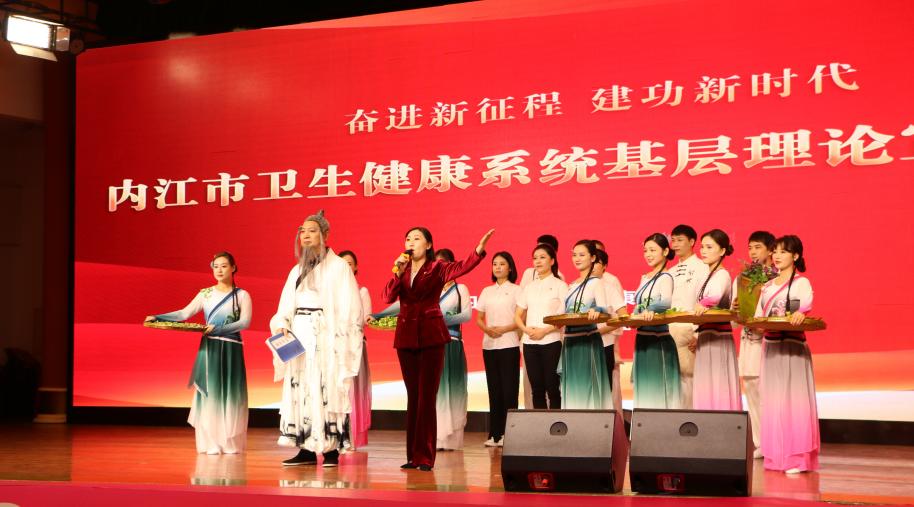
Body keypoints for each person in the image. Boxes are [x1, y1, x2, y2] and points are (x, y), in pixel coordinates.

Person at [382, 227, 494, 471]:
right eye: (408, 238)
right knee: (413, 397)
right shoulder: (402, 270)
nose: (411, 242)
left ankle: (425, 456)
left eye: (417, 238)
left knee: (426, 397)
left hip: (431, 336)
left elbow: (462, 266)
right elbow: (387, 297)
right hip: (406, 338)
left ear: (429, 244)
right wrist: (396, 272)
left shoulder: (437, 268)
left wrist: (478, 250)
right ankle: (412, 456)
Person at [270, 210, 364, 467]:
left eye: (312, 231)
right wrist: (283, 324)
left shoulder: (339, 267)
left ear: (325, 234)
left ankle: (331, 448)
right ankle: (306, 447)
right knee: (302, 387)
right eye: (303, 231)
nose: (306, 235)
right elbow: (285, 304)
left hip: (326, 335)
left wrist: (341, 337)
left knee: (326, 386)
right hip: (300, 334)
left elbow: (350, 306)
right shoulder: (296, 270)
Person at [147, 251, 251, 455]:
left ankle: (230, 442)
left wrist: (219, 329)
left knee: (231, 392)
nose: (219, 270)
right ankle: (211, 442)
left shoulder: (242, 295)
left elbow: (244, 322)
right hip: (210, 347)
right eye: (215, 266)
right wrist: (158, 317)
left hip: (232, 347)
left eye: (224, 266)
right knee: (210, 392)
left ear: (233, 268)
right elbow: (184, 313)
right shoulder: (206, 294)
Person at [755, 235, 818, 474]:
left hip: (792, 347)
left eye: (783, 252)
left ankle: (798, 459)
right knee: (773, 401)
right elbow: (759, 317)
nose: (777, 256)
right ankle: (777, 456)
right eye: (775, 252)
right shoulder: (767, 286)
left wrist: (800, 314)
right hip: (771, 346)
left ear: (796, 256)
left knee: (794, 401)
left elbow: (804, 307)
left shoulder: (801, 282)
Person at [733, 230, 776, 459]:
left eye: (758, 247)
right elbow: (734, 321)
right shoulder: (744, 278)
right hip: (749, 343)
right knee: (751, 392)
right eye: (750, 247)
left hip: (769, 344)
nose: (752, 252)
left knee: (769, 395)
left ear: (771, 250)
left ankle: (775, 442)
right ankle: (760, 442)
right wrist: (736, 309)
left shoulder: (777, 278)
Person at [475, 251, 521, 447]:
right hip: (489, 344)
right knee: (494, 390)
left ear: (510, 268)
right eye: (495, 264)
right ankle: (494, 434)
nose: (498, 267)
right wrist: (487, 329)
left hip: (509, 343)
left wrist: (504, 329)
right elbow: (479, 318)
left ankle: (509, 434)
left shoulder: (517, 290)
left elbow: (520, 320)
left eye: (502, 264)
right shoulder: (487, 291)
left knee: (509, 390)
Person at [559, 240, 613, 409]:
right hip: (570, 341)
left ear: (593, 258)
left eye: (582, 255)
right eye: (574, 255)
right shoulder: (571, 285)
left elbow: (604, 309)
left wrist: (596, 309)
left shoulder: (596, 282)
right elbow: (563, 313)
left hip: (587, 340)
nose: (577, 258)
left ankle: (592, 422)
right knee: (573, 386)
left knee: (589, 386)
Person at [692, 229, 741, 411]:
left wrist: (702, 304)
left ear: (722, 251)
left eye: (709, 247)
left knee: (719, 383)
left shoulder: (722, 274)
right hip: (705, 335)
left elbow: (715, 297)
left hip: (719, 337)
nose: (703, 251)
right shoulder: (706, 275)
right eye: (702, 247)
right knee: (706, 384)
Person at [514, 243, 567, 409]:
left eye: (542, 257)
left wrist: (544, 331)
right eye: (535, 258)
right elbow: (517, 315)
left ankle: (557, 423)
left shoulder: (560, 285)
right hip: (529, 343)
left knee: (553, 388)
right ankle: (540, 423)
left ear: (552, 261)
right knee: (536, 390)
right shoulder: (529, 287)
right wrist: (526, 330)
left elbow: (563, 317)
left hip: (551, 342)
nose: (538, 261)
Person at [631, 233, 680, 409]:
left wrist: (650, 309)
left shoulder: (665, 277)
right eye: (646, 251)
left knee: (658, 389)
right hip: (642, 338)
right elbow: (638, 305)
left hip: (658, 340)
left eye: (653, 250)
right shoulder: (645, 277)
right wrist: (635, 315)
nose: (648, 254)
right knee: (644, 388)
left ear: (665, 251)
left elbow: (666, 302)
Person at [432, 248, 472, 451]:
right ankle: (437, 438)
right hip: (433, 344)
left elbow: (466, 315)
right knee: (437, 391)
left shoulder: (460, 289)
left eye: (443, 264)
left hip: (453, 343)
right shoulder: (431, 288)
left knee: (454, 388)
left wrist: (440, 319)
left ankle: (453, 440)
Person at [668, 224, 709, 409]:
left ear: (692, 242)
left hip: (690, 331)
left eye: (680, 240)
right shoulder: (670, 271)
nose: (675, 244)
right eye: (673, 240)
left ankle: (690, 422)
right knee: (674, 383)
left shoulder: (702, 268)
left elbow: (705, 303)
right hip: (671, 331)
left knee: (690, 381)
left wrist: (698, 333)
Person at [339, 250, 372, 450]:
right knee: (337, 391)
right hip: (335, 347)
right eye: (342, 263)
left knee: (353, 391)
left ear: (356, 267)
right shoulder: (330, 293)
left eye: (350, 263)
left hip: (355, 346)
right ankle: (335, 435)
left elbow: (365, 318)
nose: (346, 267)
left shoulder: (362, 292)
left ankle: (350, 437)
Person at [593, 242, 629, 412]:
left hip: (607, 341)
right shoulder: (577, 284)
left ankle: (612, 421)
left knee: (608, 389)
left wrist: (598, 331)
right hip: (584, 343)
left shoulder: (610, 282)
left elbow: (620, 316)